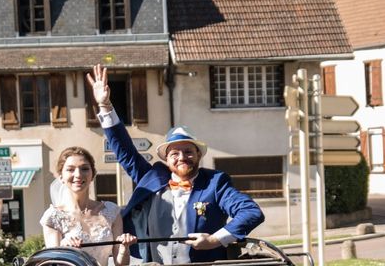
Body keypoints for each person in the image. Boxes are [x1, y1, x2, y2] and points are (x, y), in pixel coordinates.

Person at [86, 64, 265, 264]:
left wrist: (215, 239)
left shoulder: (215, 183)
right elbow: (124, 150)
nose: (182, 157)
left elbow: (251, 212)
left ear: (198, 154)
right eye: (175, 153)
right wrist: (105, 106)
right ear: (166, 158)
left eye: (188, 151)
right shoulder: (152, 177)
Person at [40, 146, 137, 266]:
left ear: (93, 175)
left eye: (84, 169)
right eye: (70, 169)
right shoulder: (53, 217)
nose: (78, 174)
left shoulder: (111, 212)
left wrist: (124, 249)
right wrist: (64, 249)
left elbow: (121, 265)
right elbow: (53, 263)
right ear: (61, 177)